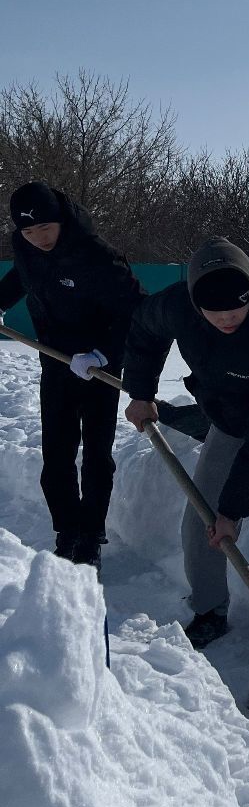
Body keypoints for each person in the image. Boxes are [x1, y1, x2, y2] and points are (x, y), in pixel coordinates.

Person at [121, 236, 249, 709]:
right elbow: (143, 331)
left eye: (236, 310)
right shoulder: (176, 306)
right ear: (195, 304)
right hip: (229, 412)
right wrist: (140, 390)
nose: (227, 320)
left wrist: (235, 511)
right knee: (201, 512)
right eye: (215, 315)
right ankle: (210, 610)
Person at [0, 181, 144, 571]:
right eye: (28, 232)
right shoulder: (27, 249)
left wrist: (102, 354)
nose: (38, 238)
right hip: (56, 361)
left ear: (60, 219)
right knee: (57, 453)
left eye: (45, 228)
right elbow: (22, 276)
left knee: (97, 453)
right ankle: (67, 532)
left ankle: (91, 535)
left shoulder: (97, 256)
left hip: (99, 367)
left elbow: (135, 311)